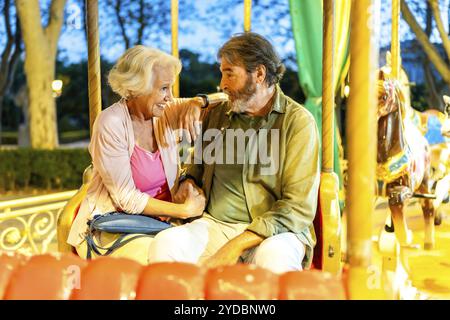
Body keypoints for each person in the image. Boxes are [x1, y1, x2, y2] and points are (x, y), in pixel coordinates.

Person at [148, 33, 320, 273]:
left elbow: (297, 207)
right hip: (215, 225)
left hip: (275, 233)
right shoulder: (218, 115)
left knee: (275, 260)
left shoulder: (298, 122)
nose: (222, 83)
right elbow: (196, 167)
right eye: (222, 73)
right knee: (165, 245)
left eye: (229, 73)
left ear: (259, 74)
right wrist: (188, 181)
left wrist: (235, 246)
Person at [67, 45, 212, 264]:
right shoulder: (111, 123)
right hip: (115, 226)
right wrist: (183, 210)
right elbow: (127, 200)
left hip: (163, 223)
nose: (170, 97)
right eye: (164, 88)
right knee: (162, 258)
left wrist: (199, 102)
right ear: (137, 88)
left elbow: (224, 102)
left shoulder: (166, 111)